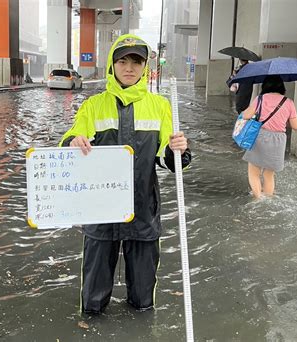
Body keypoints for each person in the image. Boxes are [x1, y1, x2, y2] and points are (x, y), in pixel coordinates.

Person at [59, 34, 192, 314]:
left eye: (136, 61)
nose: (129, 67)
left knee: (143, 301)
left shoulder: (161, 106)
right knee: (92, 302)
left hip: (144, 209)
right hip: (100, 211)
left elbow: (169, 161)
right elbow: (70, 140)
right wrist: (72, 142)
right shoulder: (93, 106)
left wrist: (177, 149)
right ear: (112, 64)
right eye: (122, 60)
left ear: (145, 67)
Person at [241, 75, 297, 198]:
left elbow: (246, 116)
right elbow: (296, 126)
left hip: (260, 136)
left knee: (254, 171)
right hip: (278, 140)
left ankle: (257, 198)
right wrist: (283, 120)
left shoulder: (260, 99)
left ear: (265, 86)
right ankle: (268, 198)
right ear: (282, 87)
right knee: (269, 174)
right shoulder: (288, 102)